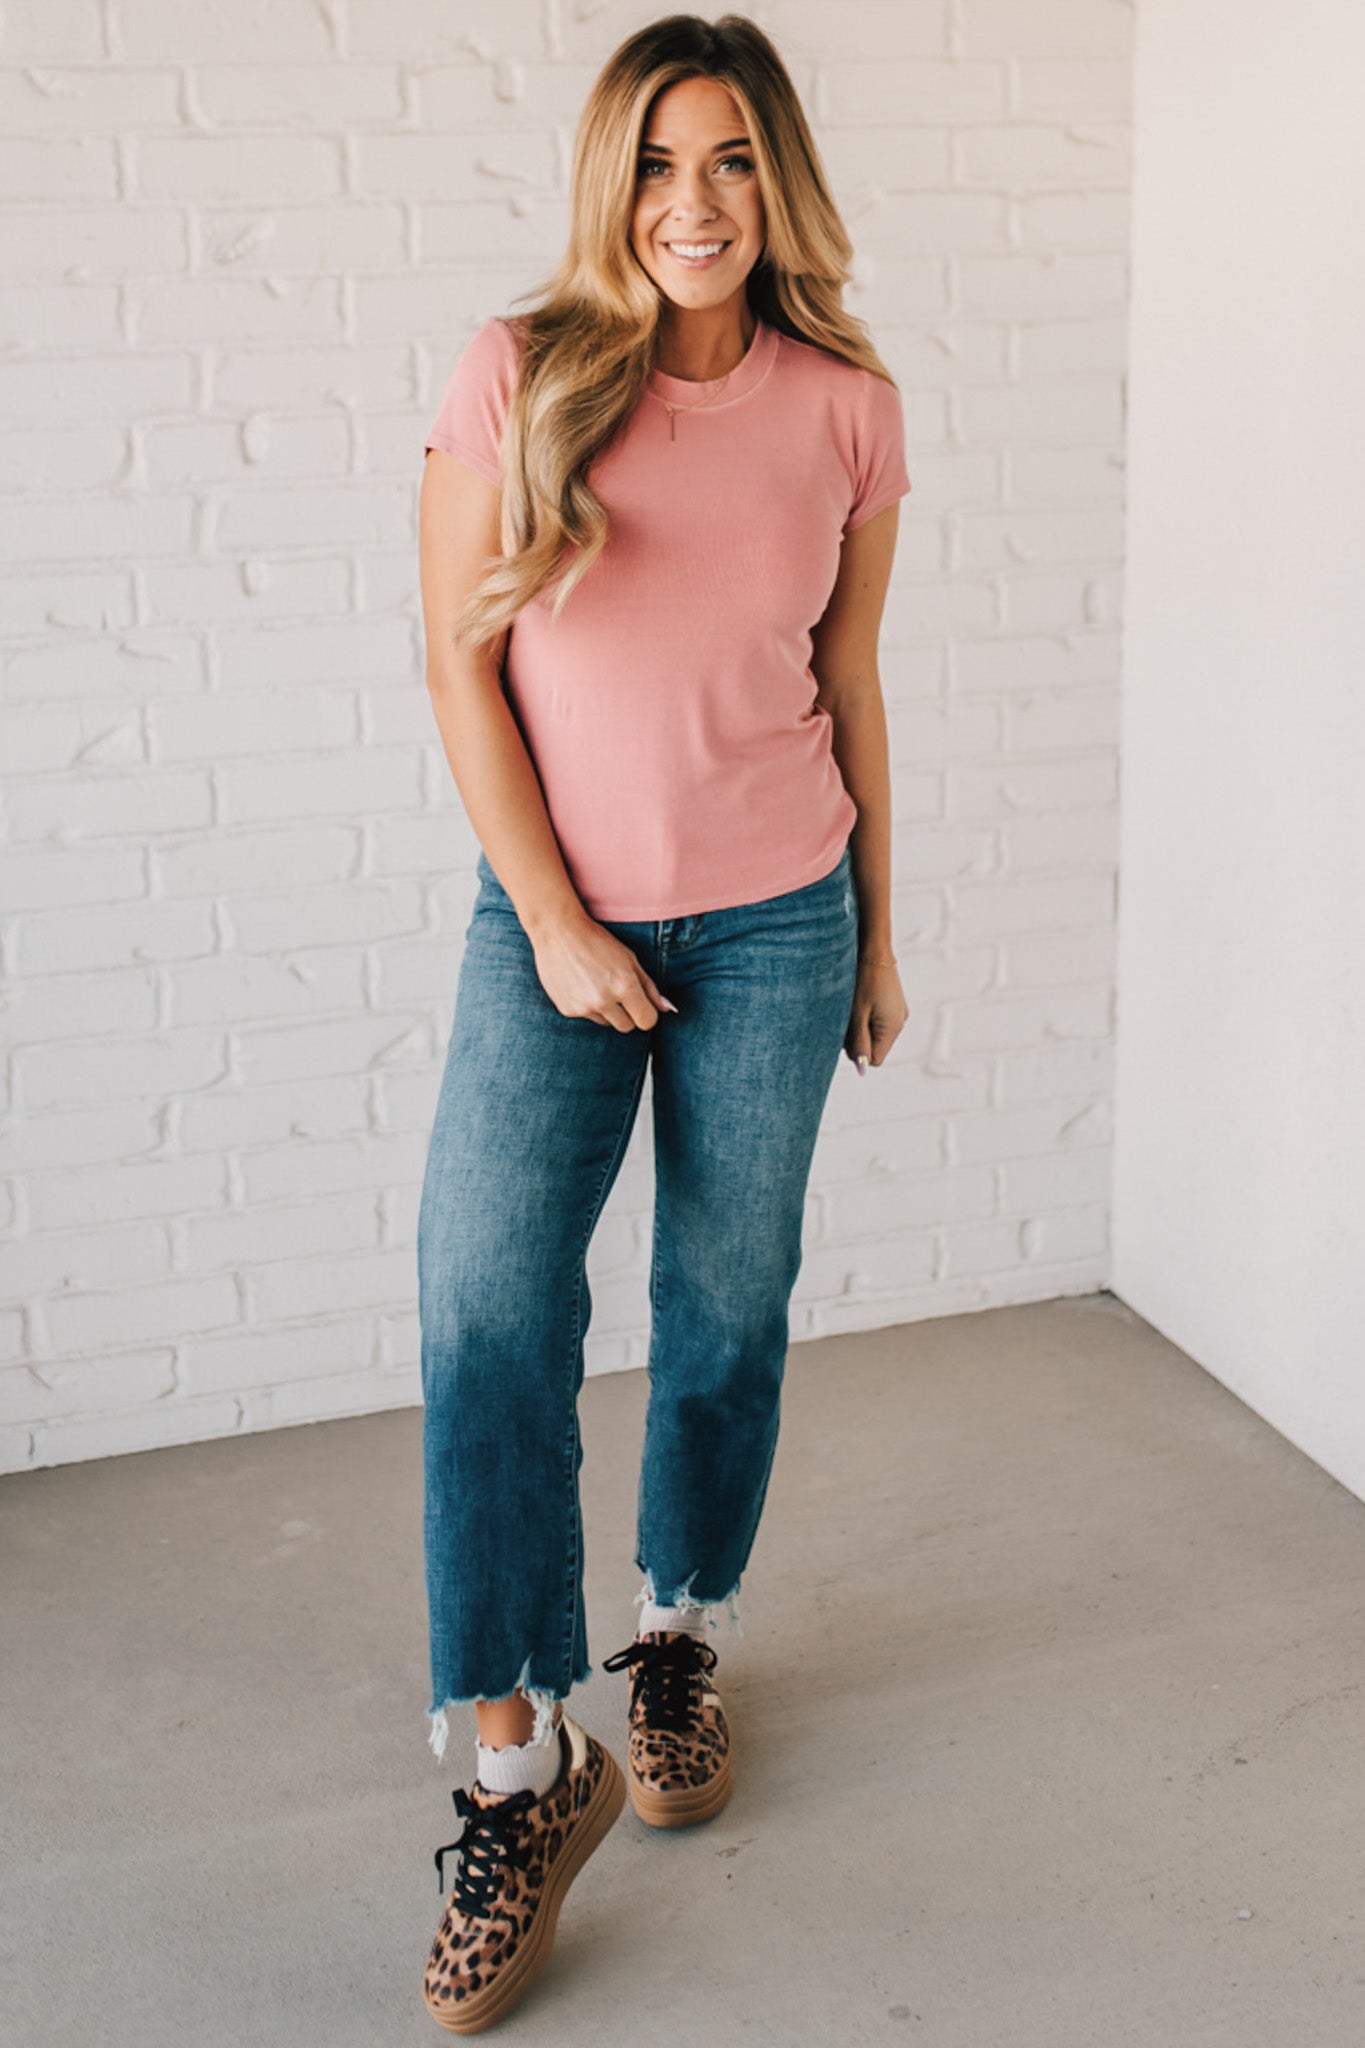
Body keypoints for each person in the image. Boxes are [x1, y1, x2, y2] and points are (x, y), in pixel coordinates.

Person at [415, 11, 910, 2031]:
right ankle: (525, 1768)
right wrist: (548, 919)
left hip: (783, 918)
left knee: (727, 1298)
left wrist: (876, 927)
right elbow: (459, 677)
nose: (691, 203)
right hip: (555, 920)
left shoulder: (848, 405)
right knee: (482, 1305)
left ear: (773, 177)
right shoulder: (517, 375)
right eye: (653, 162)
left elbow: (849, 677)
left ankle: (680, 1632)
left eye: (726, 161)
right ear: (605, 183)